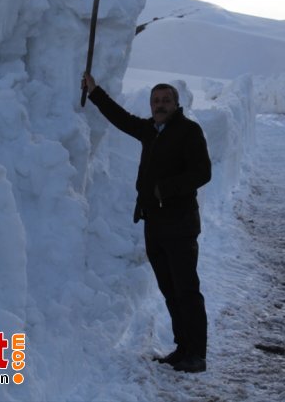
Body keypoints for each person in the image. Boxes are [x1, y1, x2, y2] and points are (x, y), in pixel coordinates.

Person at [81, 73, 211, 373]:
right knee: (169, 287)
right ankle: (183, 347)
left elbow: (202, 172)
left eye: (166, 101)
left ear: (176, 105)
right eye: (156, 101)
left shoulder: (188, 131)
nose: (160, 105)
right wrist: (95, 92)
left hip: (179, 223)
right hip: (155, 222)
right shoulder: (152, 130)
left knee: (187, 289)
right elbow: (123, 119)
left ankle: (197, 354)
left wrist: (163, 189)